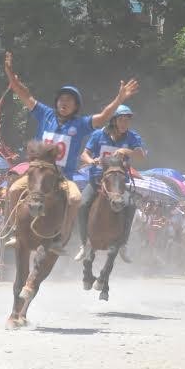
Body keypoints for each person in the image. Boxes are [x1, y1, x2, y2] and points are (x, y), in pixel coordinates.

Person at [3, 52, 139, 254]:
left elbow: (102, 118)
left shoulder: (81, 124)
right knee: (14, 190)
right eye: (61, 99)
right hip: (39, 172)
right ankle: (14, 229)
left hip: (63, 177)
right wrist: (11, 76)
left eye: (69, 100)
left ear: (76, 106)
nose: (63, 102)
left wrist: (119, 99)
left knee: (75, 199)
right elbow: (25, 94)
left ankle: (61, 238)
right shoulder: (45, 114)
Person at [75, 105, 146, 263]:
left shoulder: (132, 137)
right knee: (82, 204)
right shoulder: (98, 135)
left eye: (127, 120)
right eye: (121, 119)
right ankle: (83, 243)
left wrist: (126, 152)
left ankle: (123, 244)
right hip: (97, 181)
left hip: (119, 185)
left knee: (131, 204)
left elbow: (141, 156)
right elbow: (84, 154)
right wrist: (91, 160)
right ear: (114, 120)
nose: (124, 123)